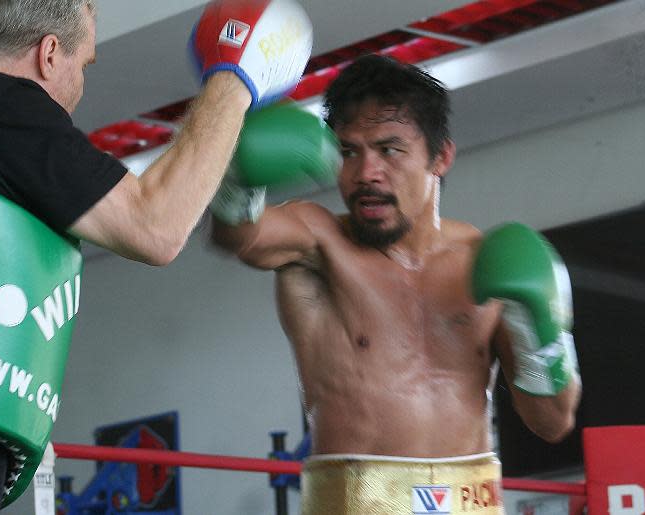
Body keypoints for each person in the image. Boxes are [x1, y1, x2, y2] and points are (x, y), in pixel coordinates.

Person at [0, 0, 312, 513]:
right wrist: (235, 76)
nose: (81, 84)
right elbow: (155, 227)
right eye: (85, 64)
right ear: (49, 55)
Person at [212, 54, 581, 514]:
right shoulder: (319, 243)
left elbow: (552, 422)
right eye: (349, 152)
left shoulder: (484, 263)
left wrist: (540, 332)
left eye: (389, 150)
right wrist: (237, 180)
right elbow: (236, 236)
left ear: (440, 157)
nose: (366, 174)